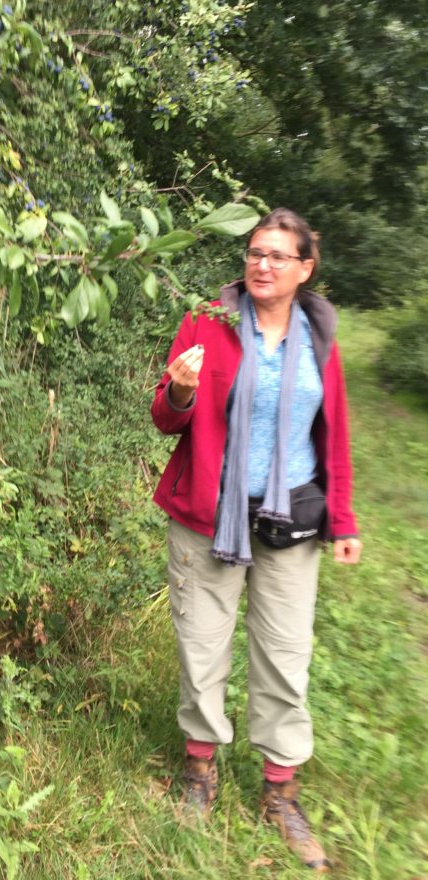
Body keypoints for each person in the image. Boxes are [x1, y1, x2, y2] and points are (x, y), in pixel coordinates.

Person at [150, 208, 362, 873]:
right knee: (202, 646)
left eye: (277, 255)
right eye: (253, 253)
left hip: (292, 520)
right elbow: (164, 416)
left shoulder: (319, 338)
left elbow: (334, 434)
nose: (261, 264)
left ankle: (280, 793)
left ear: (305, 268)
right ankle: (201, 772)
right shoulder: (206, 322)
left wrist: (345, 521)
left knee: (284, 654)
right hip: (207, 513)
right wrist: (180, 394)